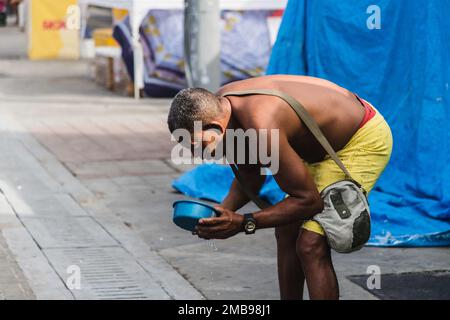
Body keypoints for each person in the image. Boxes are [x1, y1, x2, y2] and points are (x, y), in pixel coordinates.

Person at [167, 75, 393, 300]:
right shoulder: (223, 111)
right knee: (286, 228)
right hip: (323, 144)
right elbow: (250, 176)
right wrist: (219, 215)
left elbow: (308, 201)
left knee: (310, 243)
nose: (198, 154)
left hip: (360, 138)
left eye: (198, 145)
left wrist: (244, 223)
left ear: (215, 126)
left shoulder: (260, 124)